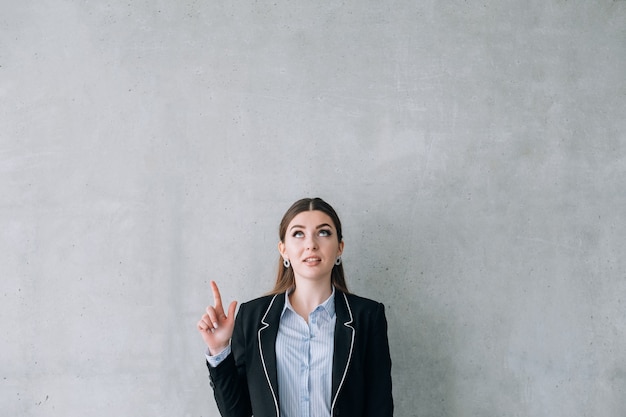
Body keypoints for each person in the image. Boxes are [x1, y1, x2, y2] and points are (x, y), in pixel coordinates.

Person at [197, 197, 393, 417]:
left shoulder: (367, 316)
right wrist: (219, 350)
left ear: (340, 248)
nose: (311, 244)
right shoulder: (252, 317)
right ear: (284, 250)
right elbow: (237, 412)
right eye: (298, 234)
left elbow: (379, 406)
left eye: (324, 232)